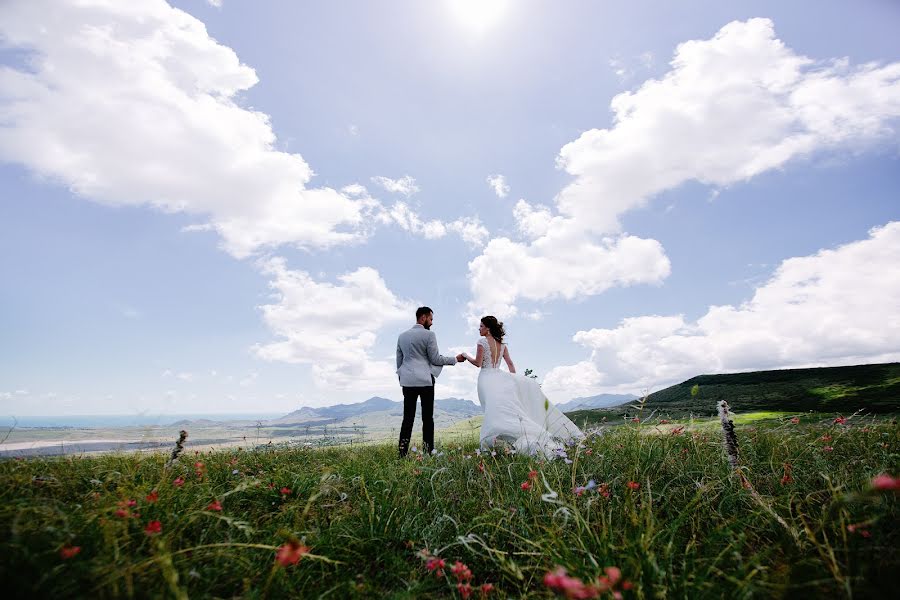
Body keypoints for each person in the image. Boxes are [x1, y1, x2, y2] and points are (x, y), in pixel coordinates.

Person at [461, 316, 583, 457]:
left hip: (486, 379)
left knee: (492, 409)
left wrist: (465, 355)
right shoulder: (502, 345)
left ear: (488, 328)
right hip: (499, 378)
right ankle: (505, 439)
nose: (479, 328)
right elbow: (511, 365)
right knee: (502, 410)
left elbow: (478, 363)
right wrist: (512, 381)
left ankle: (497, 441)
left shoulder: (482, 341)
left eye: (481, 326)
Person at [396, 306, 465, 457]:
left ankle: (402, 453)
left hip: (407, 382)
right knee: (428, 418)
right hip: (425, 381)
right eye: (431, 319)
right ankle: (428, 452)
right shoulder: (429, 335)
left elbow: (399, 361)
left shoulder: (402, 336)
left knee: (407, 418)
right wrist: (455, 359)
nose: (432, 322)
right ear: (423, 317)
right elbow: (435, 359)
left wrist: (402, 378)